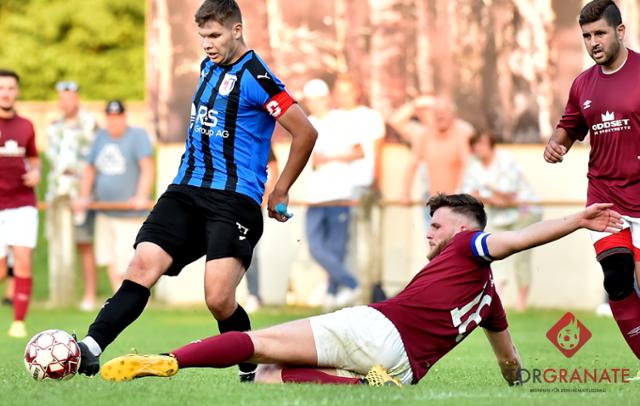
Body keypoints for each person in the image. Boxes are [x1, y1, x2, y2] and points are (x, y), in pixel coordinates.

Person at [99, 194, 622, 386]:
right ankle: (368, 385)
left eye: (436, 224)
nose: (429, 232)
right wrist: (521, 383)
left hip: (375, 328)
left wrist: (577, 220)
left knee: (257, 345)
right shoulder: (490, 301)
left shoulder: (469, 245)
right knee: (268, 379)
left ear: (464, 229)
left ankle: (168, 361)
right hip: (403, 366)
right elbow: (509, 363)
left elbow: (517, 239)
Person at [73, 0, 317, 383]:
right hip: (185, 190)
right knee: (141, 266)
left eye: (215, 35)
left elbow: (305, 132)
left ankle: (251, 365)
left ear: (237, 30)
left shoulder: (257, 76)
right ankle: (90, 347)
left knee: (218, 299)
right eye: (202, 36)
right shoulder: (207, 66)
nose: (207, 43)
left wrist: (281, 189)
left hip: (234, 199)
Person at [543, 0, 640, 358]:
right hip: (605, 197)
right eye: (586, 36)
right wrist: (556, 144)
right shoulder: (582, 84)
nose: (593, 42)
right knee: (616, 279)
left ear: (620, 31)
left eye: (600, 33)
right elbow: (569, 126)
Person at [73, 100, 154, 292]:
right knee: (109, 258)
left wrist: (141, 196)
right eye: (110, 117)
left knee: (127, 262)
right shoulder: (100, 136)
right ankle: (118, 299)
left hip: (130, 214)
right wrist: (84, 196)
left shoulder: (138, 135)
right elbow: (90, 169)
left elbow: (147, 167)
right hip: (105, 211)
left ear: (124, 117)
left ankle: (132, 299)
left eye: (117, 117)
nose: (114, 121)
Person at [462, 131, 542, 311]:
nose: (478, 147)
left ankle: (521, 304)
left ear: (491, 144)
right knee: (493, 253)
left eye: (482, 143)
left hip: (525, 211)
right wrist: (492, 195)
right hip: (498, 215)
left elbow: (509, 196)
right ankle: (496, 297)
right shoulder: (473, 165)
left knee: (521, 256)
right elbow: (470, 194)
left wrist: (486, 194)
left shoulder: (505, 159)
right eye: (475, 144)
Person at [303, 78, 362, 309]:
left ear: (327, 98)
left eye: (318, 99)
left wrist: (330, 158)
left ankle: (332, 294)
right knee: (315, 247)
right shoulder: (308, 122)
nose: (315, 104)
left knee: (336, 248)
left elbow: (359, 152)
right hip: (315, 196)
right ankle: (352, 284)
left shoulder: (343, 120)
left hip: (339, 194)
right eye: (310, 100)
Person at [331, 74, 386, 303]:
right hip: (336, 189)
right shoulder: (332, 118)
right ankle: (343, 289)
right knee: (341, 241)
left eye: (348, 91)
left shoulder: (370, 117)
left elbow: (378, 151)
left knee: (362, 240)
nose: (343, 96)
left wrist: (376, 180)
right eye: (339, 91)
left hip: (361, 186)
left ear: (357, 92)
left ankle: (363, 291)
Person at [46, 80, 98, 311]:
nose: (66, 103)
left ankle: (89, 295)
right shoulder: (53, 127)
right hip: (57, 192)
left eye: (70, 98)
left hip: (79, 192)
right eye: (62, 99)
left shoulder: (90, 124)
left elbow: (93, 161)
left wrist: (86, 192)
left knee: (83, 243)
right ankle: (59, 294)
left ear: (77, 98)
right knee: (58, 244)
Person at [0, 69, 41, 338]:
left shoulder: (26, 125)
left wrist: (36, 173)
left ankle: (18, 323)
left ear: (17, 91)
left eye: (10, 88)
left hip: (23, 204)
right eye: (1, 88)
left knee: (23, 262)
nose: (6, 93)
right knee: (2, 269)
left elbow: (34, 158)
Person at [389, 95, 473, 223]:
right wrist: (405, 192)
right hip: (433, 201)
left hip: (458, 202)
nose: (440, 116)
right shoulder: (423, 135)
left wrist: (461, 195)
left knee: (459, 235)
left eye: (444, 112)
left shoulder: (463, 132)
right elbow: (413, 164)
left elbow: (467, 164)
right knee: (434, 235)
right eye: (437, 113)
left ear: (453, 114)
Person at [244, 146, 279, 313]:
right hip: (230, 201)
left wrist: (268, 194)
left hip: (251, 202)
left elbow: (274, 166)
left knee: (249, 250)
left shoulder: (258, 137)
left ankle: (253, 294)